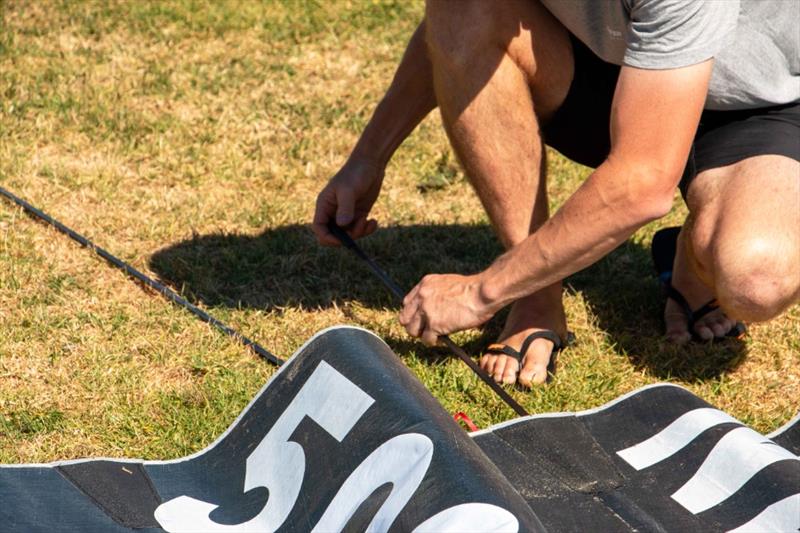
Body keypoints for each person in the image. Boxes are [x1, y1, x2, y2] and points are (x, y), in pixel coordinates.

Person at [313, 0, 800, 387]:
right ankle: (537, 298)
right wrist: (368, 158)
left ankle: (693, 258)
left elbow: (643, 181)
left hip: (757, 102)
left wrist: (481, 292)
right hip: (613, 71)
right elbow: (456, 23)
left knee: (756, 280)